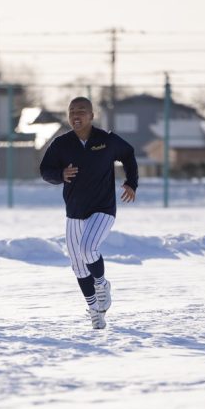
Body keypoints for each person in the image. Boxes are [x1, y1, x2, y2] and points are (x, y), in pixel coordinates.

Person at [39, 97, 138, 329]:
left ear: (92, 116)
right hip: (74, 213)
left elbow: (128, 154)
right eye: (72, 110)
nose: (76, 114)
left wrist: (131, 182)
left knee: (88, 249)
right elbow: (45, 170)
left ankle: (102, 284)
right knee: (78, 265)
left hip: (103, 209)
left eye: (82, 110)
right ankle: (95, 310)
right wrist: (60, 174)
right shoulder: (61, 143)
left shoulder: (106, 140)